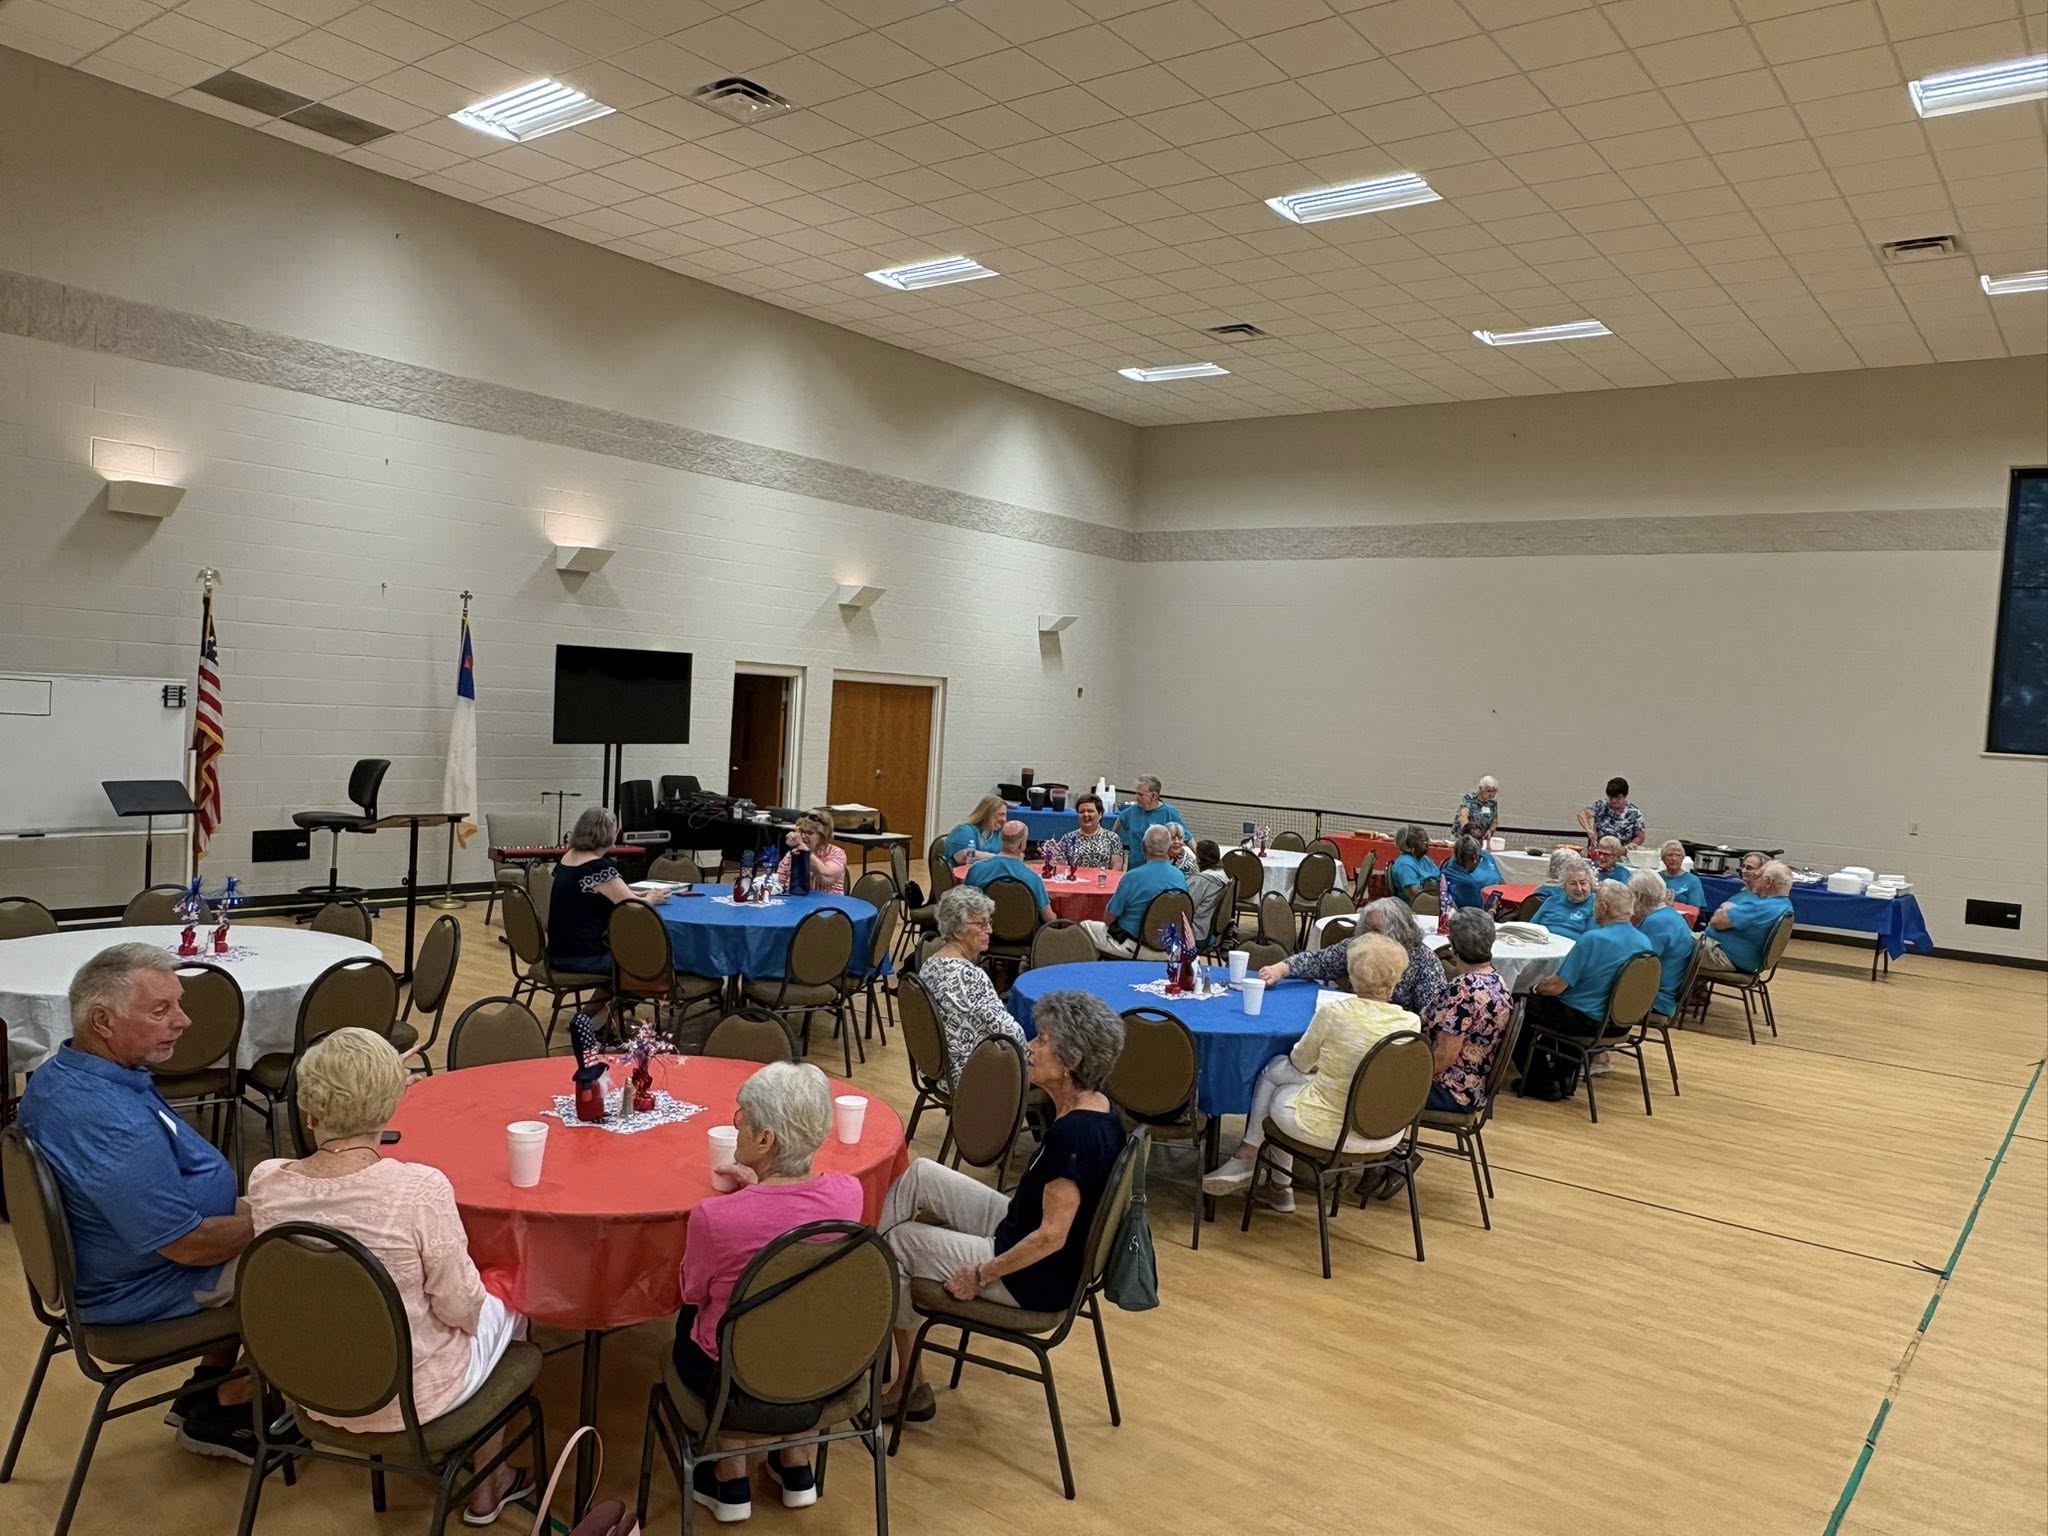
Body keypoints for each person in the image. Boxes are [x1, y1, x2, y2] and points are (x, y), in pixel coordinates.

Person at [247, 1029, 534, 1523]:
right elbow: (461, 1308)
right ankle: (491, 1481)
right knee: (514, 1300)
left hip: (308, 1388)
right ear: (390, 1108)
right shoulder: (419, 1189)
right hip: (412, 1400)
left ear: (310, 1113)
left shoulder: (266, 1182)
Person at [15, 944, 258, 1459]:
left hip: (123, 1266)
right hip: (140, 1289)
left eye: (178, 1004)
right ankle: (230, 1402)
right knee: (328, 1257)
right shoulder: (109, 1121)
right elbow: (187, 1245)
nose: (184, 1021)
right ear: (102, 1021)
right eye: (160, 1010)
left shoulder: (66, 1073)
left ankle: (204, 1387)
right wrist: (270, 1219)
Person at [880, 991, 1125, 1425]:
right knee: (920, 1174)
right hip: (1020, 1230)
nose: (1029, 1046)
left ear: (1071, 1060)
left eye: (1042, 1040)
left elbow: (1052, 1237)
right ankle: (869, 1299)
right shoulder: (1100, 1109)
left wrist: (980, 1275)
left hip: (1031, 1276)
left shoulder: (1075, 1137)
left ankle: (910, 1385)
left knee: (897, 1242)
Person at [670, 1061, 865, 1521]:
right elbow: (791, 1216)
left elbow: (691, 1291)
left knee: (703, 1318)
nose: (736, 1124)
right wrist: (762, 1190)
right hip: (824, 1367)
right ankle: (796, 1464)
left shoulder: (714, 1218)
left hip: (736, 1383)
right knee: (794, 1314)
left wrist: (749, 1201)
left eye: (743, 1118)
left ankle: (730, 1477)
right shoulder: (849, 1195)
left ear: (765, 1140)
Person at [1202, 934, 1417, 1211]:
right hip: (1384, 1130)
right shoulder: (1411, 1023)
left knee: (1274, 1077)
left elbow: (1299, 1062)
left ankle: (1256, 1162)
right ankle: (1276, 1187)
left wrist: (1322, 1064)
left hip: (1328, 1129)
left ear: (1352, 976)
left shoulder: (1335, 1012)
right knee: (1284, 1080)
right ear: (1396, 978)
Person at [551, 804, 670, 1035]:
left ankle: (584, 1018)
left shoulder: (568, 858)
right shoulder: (599, 868)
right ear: (608, 834)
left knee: (625, 966)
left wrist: (638, 895)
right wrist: (652, 898)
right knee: (646, 968)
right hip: (586, 955)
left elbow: (611, 895)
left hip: (559, 950)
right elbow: (632, 907)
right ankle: (596, 1025)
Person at [1521, 884, 1654, 1085]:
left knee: (1519, 1006)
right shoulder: (1644, 943)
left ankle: (1540, 1083)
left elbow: (1555, 988)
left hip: (1584, 1021)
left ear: (1603, 907)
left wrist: (1533, 988)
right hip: (1620, 1023)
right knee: (1566, 1007)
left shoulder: (1593, 939)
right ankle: (1563, 1078)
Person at [1257, 897, 1447, 1020]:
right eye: (1365, 928)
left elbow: (1433, 1015)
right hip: (1355, 1019)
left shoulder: (1424, 961)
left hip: (1396, 1033)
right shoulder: (1359, 946)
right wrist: (1281, 968)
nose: (1368, 935)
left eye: (1376, 930)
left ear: (1399, 932)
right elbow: (1321, 962)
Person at [916, 888, 1028, 1087]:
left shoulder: (930, 964)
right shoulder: (969, 976)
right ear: (957, 930)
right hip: (970, 1075)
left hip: (938, 1069)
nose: (990, 930)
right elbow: (1011, 1035)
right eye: (981, 924)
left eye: (989, 922)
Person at [1422, 909, 1513, 1114]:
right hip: (1472, 1086)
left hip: (1451, 1090)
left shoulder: (1463, 991)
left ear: (1453, 946)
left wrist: (1405, 1075)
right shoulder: (1497, 981)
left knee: (1371, 1080)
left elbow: (1445, 1057)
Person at [1082, 824, 1187, 957]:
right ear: (1168, 848)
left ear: (1143, 847)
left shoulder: (1132, 877)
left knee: (1084, 926)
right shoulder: (1180, 877)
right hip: (1169, 949)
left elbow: (1109, 919)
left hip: (1135, 946)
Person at [1699, 860, 1796, 975]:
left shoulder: (1763, 907)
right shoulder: (1783, 904)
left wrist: (1726, 907)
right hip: (1739, 959)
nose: (1754, 880)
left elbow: (1717, 921)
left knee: (1680, 939)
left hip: (1725, 957)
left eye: (1758, 877)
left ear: (1768, 882)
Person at [1630, 872, 1695, 1019]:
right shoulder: (1670, 915)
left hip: (1655, 1000)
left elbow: (1636, 966)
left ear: (1638, 897)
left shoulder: (1657, 923)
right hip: (1663, 995)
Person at [964, 821, 1056, 924]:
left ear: (1000, 840)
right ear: (1022, 844)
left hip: (984, 927)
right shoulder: (1033, 879)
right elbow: (1049, 918)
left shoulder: (976, 869)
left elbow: (965, 903)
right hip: (1023, 932)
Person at [1114, 775, 1183, 869]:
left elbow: (1186, 838)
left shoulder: (1169, 813)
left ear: (1154, 796)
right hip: (1135, 869)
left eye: (1140, 794)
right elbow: (1114, 832)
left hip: (1159, 869)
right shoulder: (1131, 812)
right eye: (1136, 793)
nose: (1136, 797)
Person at [775, 812, 847, 895]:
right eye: (801, 831)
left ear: (823, 836)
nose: (803, 836)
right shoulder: (794, 852)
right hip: (798, 900)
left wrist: (805, 852)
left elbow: (827, 878)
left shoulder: (837, 853)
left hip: (829, 901)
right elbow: (779, 881)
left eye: (809, 833)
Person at [1049, 792, 1121, 871]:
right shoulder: (1068, 838)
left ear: (1100, 814)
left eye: (1090, 811)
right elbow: (1060, 866)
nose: (1086, 814)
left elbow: (1117, 866)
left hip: (1102, 878)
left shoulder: (1112, 838)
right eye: (1082, 812)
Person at [1532, 857, 1597, 938]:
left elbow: (1589, 939)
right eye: (1573, 883)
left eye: (1583, 883)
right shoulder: (1551, 901)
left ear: (1590, 884)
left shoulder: (1595, 907)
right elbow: (1531, 927)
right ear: (1564, 886)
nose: (1579, 889)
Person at [1577, 776, 1646, 849]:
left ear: (1625, 796)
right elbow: (1582, 814)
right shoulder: (1601, 805)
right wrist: (1589, 830)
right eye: (1611, 797)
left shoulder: (1634, 813)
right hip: (1599, 848)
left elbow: (1640, 837)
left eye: (1618, 798)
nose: (1614, 801)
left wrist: (1627, 848)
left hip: (1622, 850)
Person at [1440, 835, 1503, 912]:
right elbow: (1479, 916)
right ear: (1474, 857)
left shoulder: (1445, 873)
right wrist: (1492, 909)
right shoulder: (1469, 885)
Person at [1186, 839, 1232, 942]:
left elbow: (1186, 907)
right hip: (1213, 931)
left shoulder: (1201, 881)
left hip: (1197, 934)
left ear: (1198, 859)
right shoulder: (1223, 876)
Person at [945, 794, 1008, 863]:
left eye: (1005, 815)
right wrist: (998, 857)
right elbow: (965, 857)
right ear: (987, 814)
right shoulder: (965, 831)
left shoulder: (997, 833)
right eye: (1001, 814)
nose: (1004, 819)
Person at [1386, 825, 1438, 902]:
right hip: (1418, 906)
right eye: (1423, 841)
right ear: (1411, 845)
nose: (1428, 844)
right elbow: (1416, 897)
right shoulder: (1404, 865)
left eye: (1427, 840)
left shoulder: (1425, 859)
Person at [1657, 840, 1704, 908]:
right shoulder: (1656, 878)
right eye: (1670, 855)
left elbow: (1695, 909)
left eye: (1678, 855)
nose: (1674, 858)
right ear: (1663, 858)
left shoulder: (1693, 881)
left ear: (1682, 858)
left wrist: (1672, 905)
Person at [1453, 776, 1500, 841]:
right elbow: (1463, 816)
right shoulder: (1469, 798)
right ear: (1480, 789)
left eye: (1494, 791)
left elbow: (1494, 821)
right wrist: (1471, 833)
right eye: (1489, 791)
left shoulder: (1492, 803)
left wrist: (1490, 830)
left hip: (1481, 838)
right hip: (1464, 836)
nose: (1492, 794)